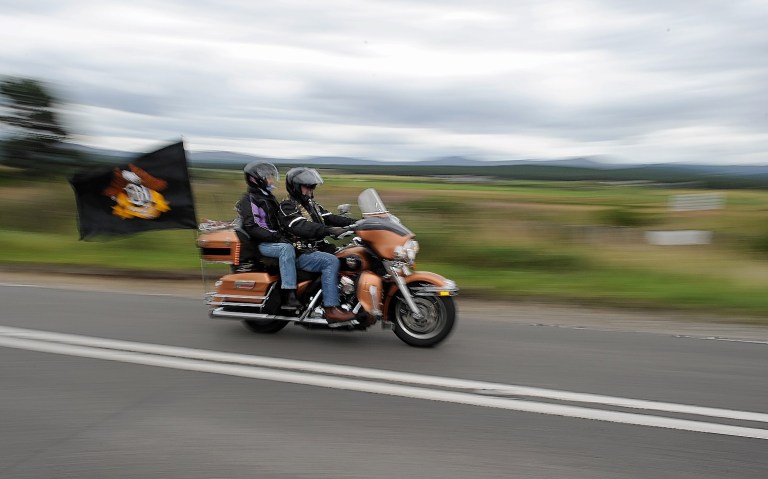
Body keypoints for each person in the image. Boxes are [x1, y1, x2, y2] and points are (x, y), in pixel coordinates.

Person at [278, 167, 356, 323]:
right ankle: (331, 308)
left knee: (350, 254)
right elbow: (301, 226)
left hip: (317, 249)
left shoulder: (311, 204)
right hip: (301, 253)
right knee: (330, 261)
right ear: (296, 187)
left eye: (312, 186)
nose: (311, 190)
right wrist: (330, 230)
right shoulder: (287, 206)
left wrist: (358, 224)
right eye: (308, 186)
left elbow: (330, 217)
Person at [235, 161, 300, 310]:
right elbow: (253, 227)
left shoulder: (268, 197)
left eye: (271, 177)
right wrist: (277, 237)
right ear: (255, 180)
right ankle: (289, 294)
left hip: (271, 240)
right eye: (268, 177)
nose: (271, 180)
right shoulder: (250, 200)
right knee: (286, 249)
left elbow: (280, 220)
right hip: (260, 243)